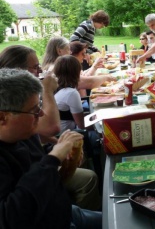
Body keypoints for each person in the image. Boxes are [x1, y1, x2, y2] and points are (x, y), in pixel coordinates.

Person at [0, 45, 101, 211]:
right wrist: (54, 157)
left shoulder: (23, 132)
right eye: (34, 110)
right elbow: (12, 215)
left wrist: (58, 151)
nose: (40, 114)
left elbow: (36, 154)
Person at [54, 56, 86, 132]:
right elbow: (82, 125)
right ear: (77, 72)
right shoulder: (71, 93)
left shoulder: (56, 87)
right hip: (67, 135)